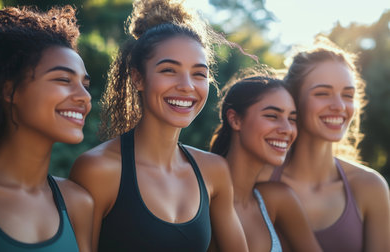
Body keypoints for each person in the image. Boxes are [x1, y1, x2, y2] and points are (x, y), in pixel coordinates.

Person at [69, 0, 248, 251]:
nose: (187, 85)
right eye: (169, 70)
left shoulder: (214, 171)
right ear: (138, 78)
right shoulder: (98, 170)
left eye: (199, 73)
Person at [0, 6, 93, 252]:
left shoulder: (78, 204)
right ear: (9, 91)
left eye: (85, 84)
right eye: (63, 80)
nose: (84, 97)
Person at [258, 36, 390, 251]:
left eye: (348, 95)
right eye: (322, 93)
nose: (339, 106)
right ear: (292, 98)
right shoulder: (260, 180)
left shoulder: (370, 187)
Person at [210, 75, 322, 252]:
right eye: (272, 116)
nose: (286, 129)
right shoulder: (200, 198)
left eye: (292, 119)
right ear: (235, 119)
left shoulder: (278, 199)